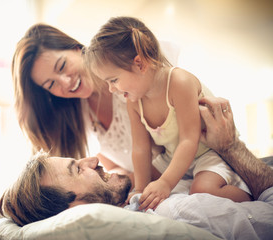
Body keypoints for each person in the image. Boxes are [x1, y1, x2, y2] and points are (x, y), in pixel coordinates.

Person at [0, 96, 273, 239]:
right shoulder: (176, 212)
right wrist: (231, 146)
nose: (94, 160)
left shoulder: (141, 200)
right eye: (78, 169)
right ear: (76, 208)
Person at [83, 16, 251, 210]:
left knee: (203, 190)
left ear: (140, 64)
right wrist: (140, 188)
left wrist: (166, 183)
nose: (111, 89)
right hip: (172, 156)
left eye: (113, 80)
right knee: (137, 187)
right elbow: (140, 148)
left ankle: (249, 195)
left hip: (207, 152)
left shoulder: (179, 82)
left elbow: (189, 139)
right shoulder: (134, 101)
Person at [11, 23, 178, 184]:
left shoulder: (136, 72)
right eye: (51, 84)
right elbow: (115, 163)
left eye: (62, 66)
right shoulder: (78, 116)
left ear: (76, 49)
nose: (65, 82)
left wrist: (134, 182)